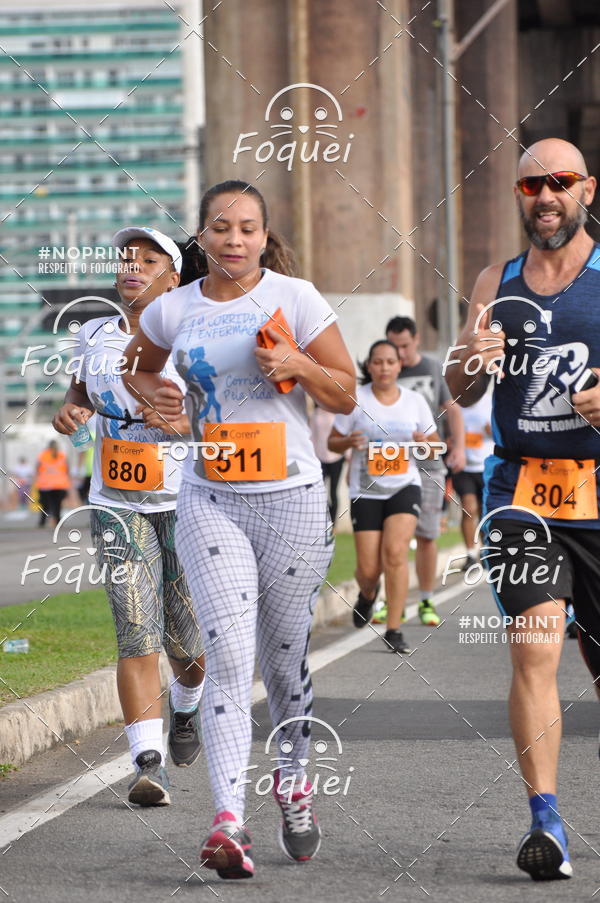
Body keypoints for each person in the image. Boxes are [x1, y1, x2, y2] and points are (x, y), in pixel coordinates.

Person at [122, 179, 355, 879]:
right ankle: (228, 819)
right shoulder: (172, 309)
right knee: (227, 655)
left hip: (290, 497)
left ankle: (292, 778)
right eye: (221, 227)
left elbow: (343, 389)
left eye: (248, 228)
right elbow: (134, 367)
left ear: (263, 235)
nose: (234, 239)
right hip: (209, 497)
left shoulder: (296, 296)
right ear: (201, 236)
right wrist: (156, 395)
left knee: (283, 662)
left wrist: (299, 365)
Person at [445, 138, 600, 881]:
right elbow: (461, 386)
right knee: (536, 648)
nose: (546, 196)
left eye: (560, 182)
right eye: (533, 183)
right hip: (521, 495)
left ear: (587, 191)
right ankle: (547, 821)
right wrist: (470, 358)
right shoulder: (495, 280)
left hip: (599, 487)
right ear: (518, 192)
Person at [52, 226, 205, 807]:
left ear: (173, 275)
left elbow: (225, 410)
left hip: (187, 502)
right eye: (125, 258)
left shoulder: (191, 333)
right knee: (135, 628)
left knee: (187, 647)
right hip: (116, 505)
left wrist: (188, 425)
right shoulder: (92, 332)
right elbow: (80, 396)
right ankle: (147, 762)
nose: (131, 266)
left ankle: (186, 709)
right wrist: (70, 412)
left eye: (148, 259)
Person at [328, 340, 440, 653]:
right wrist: (348, 440)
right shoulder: (356, 400)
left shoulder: (414, 401)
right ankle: (367, 594)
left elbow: (434, 445)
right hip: (365, 490)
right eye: (378, 362)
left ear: (399, 365)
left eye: (390, 362)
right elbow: (332, 442)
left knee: (395, 553)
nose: (384, 368)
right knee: (367, 570)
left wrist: (423, 443)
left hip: (405, 485)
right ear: (369, 366)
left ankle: (394, 629)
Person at [386, 316, 465, 627]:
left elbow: (452, 408)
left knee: (427, 533)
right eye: (394, 346)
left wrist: (457, 448)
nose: (399, 354)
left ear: (416, 340)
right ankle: (388, 601)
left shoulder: (431, 368)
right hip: (392, 462)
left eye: (404, 346)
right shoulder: (381, 370)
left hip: (429, 462)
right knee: (390, 535)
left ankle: (426, 599)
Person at [450, 389, 493, 569]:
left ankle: (486, 551)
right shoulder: (455, 403)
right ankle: (470, 554)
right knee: (469, 508)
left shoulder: (490, 401)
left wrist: (491, 430)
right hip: (463, 465)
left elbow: (503, 431)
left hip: (486, 465)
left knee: (484, 512)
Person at [310, 404, 345, 525]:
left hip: (336, 457)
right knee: (319, 492)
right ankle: (322, 522)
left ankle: (333, 524)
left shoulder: (337, 413)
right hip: (319, 458)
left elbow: (343, 434)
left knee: (333, 492)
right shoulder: (316, 413)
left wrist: (348, 454)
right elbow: (312, 437)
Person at [35, 440, 71, 527]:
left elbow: (37, 469)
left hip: (45, 485)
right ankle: (58, 521)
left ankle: (42, 522)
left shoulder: (43, 455)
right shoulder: (62, 455)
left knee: (45, 505)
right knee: (57, 505)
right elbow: (67, 469)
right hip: (60, 485)